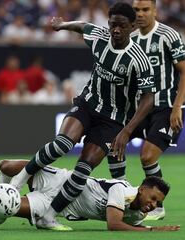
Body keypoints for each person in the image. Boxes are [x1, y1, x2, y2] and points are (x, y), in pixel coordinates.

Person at [10, 2, 156, 230]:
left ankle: (49, 215)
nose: (116, 30)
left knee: (83, 168)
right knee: (61, 144)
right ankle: (16, 183)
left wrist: (127, 130)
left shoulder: (139, 60)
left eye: (122, 26)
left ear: (132, 27)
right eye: (112, 25)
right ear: (108, 24)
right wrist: (62, 25)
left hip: (112, 120)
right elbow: (83, 26)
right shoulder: (100, 37)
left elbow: (149, 98)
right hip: (87, 104)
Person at [108, 0, 185, 221]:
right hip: (139, 108)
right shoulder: (131, 38)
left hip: (166, 107)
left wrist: (177, 107)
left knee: (147, 156)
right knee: (113, 144)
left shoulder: (168, 35)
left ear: (155, 10)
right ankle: (124, 196)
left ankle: (157, 206)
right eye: (136, 10)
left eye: (145, 9)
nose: (140, 14)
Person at [0, 159, 180, 232]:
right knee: (5, 165)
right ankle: (3, 190)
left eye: (158, 203)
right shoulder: (121, 190)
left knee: (7, 209)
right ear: (141, 189)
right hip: (60, 180)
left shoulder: (135, 216)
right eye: (153, 198)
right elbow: (113, 224)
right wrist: (152, 231)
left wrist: (143, 226)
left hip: (56, 206)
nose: (154, 205)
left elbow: (123, 223)